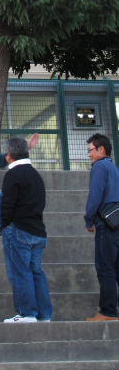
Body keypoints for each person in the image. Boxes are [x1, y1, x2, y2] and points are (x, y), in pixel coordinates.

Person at [1, 136, 52, 323]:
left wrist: (4, 224)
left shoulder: (12, 174)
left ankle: (26, 312)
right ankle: (44, 314)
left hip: (19, 229)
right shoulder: (35, 175)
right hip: (38, 229)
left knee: (19, 271)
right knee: (36, 272)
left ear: (8, 155)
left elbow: (7, 203)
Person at [84, 133, 119, 321]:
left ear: (101, 149)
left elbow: (95, 196)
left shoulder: (99, 166)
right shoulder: (114, 168)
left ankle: (108, 311)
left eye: (91, 150)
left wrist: (89, 219)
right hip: (117, 221)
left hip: (106, 224)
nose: (89, 154)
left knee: (105, 269)